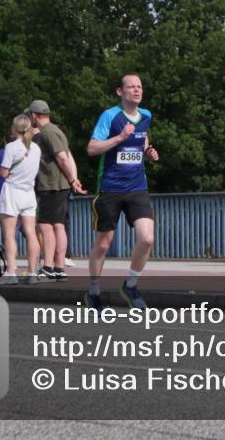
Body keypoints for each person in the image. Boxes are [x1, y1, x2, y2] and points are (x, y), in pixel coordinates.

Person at [84, 73, 159, 311]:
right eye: (131, 87)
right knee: (104, 244)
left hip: (137, 186)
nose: (137, 90)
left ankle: (130, 285)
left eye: (139, 86)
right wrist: (119, 137)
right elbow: (92, 148)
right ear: (120, 91)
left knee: (147, 238)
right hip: (110, 188)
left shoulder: (146, 115)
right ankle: (94, 292)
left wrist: (148, 152)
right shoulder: (110, 116)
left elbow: (141, 139)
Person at [28, 100, 85, 281]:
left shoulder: (48, 133)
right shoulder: (54, 131)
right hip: (59, 186)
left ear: (34, 116)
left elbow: (62, 158)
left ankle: (49, 266)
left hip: (51, 185)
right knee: (58, 225)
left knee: (45, 225)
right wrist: (71, 180)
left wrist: (72, 179)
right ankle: (59, 267)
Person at [0, 114, 42, 285]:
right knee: (30, 233)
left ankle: (11, 273)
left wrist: (0, 172)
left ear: (15, 128)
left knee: (9, 234)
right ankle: (32, 272)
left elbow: (5, 172)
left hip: (12, 192)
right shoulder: (36, 148)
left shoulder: (12, 147)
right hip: (29, 192)